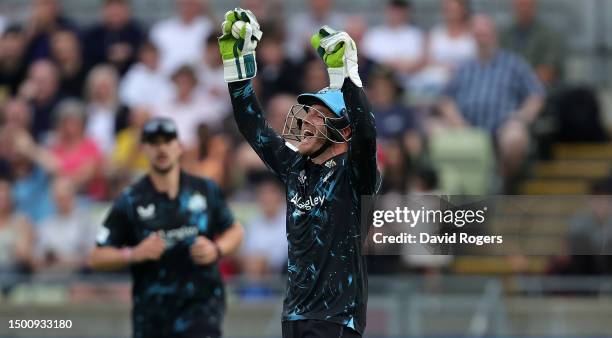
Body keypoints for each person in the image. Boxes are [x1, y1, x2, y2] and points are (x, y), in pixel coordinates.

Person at [220, 9, 377, 337]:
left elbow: (365, 134)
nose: (306, 120)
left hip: (337, 319)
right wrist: (238, 67)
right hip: (294, 315)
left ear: (342, 131)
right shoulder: (295, 168)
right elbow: (254, 127)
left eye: (319, 116)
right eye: (307, 113)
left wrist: (346, 75)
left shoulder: (354, 174)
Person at [89, 117, 244, 338]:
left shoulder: (205, 190)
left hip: (201, 308)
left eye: (167, 141)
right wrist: (133, 253)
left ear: (179, 147)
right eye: (153, 142)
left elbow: (235, 231)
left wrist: (216, 249)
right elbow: (97, 257)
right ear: (144, 149)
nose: (161, 148)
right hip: (152, 316)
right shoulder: (131, 199)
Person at [439, 15, 544, 179]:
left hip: (503, 126)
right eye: (477, 35)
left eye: (485, 34)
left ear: (495, 35)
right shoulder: (464, 67)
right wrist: (456, 119)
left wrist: (521, 117)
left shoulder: (513, 63)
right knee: (434, 131)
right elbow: (445, 98)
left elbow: (536, 94)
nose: (481, 40)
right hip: (466, 127)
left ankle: (504, 187)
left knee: (515, 138)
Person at [35, 177, 96, 272]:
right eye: (58, 198)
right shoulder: (45, 225)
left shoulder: (85, 221)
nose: (61, 201)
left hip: (80, 276)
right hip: (51, 275)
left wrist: (63, 260)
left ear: (73, 196)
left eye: (65, 197)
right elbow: (39, 259)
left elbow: (92, 256)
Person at [502, 0, 564, 88]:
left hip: (541, 92)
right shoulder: (506, 35)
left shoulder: (549, 35)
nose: (523, 9)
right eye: (520, 5)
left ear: (534, 7)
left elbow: (547, 71)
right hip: (509, 91)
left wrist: (521, 84)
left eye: (527, 5)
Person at [150, 0, 214, 75]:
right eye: (183, 3)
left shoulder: (207, 27)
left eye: (190, 3)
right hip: (165, 81)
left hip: (199, 80)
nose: (186, 7)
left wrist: (208, 10)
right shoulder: (161, 29)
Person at [85, 0, 144, 75]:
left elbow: (143, 54)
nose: (115, 12)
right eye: (112, 9)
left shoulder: (138, 33)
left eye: (119, 8)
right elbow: (89, 57)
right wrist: (109, 54)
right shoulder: (94, 34)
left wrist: (129, 52)